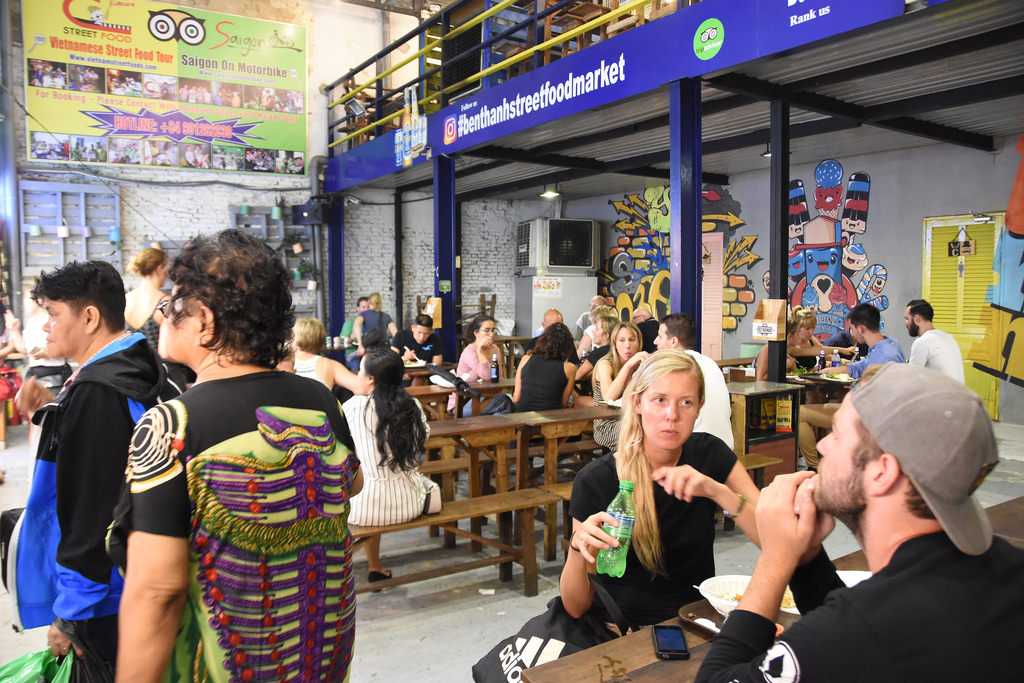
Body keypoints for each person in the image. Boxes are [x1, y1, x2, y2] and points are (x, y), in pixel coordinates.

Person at [109, 230, 363, 682]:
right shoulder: (319, 400)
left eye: (170, 308)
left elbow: (157, 592)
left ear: (203, 320)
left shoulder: (172, 425)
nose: (163, 317)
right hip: (322, 662)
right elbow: (353, 482)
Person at [695, 363, 1024, 682]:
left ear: (882, 473)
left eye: (836, 435)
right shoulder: (1008, 573)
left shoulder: (860, 631)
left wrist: (776, 558)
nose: (822, 445)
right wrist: (807, 561)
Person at [10, 261, 175, 679]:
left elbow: (93, 508)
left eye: (53, 314)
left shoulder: (98, 392)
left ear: (89, 317)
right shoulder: (139, 366)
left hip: (105, 597)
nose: (45, 326)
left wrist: (71, 613)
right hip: (136, 576)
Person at [564, 350, 761, 628]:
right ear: (638, 402)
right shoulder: (597, 481)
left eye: (686, 403)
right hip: (622, 633)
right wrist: (576, 548)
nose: (672, 415)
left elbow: (772, 537)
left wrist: (718, 492)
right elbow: (574, 607)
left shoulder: (710, 454)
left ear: (699, 407)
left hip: (697, 621)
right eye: (660, 400)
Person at [344, 349, 440, 586]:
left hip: (362, 509)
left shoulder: (352, 407)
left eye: (360, 371)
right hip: (408, 504)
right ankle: (375, 566)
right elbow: (420, 448)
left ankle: (367, 565)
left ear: (370, 380)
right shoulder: (413, 407)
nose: (357, 374)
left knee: (363, 484)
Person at [654, 313, 733, 449]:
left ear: (673, 341)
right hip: (726, 447)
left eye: (660, 336)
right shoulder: (709, 362)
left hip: (695, 450)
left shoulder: (675, 366)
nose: (655, 341)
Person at [592, 322, 646, 450]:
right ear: (614, 344)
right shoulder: (605, 364)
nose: (627, 345)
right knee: (638, 432)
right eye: (622, 340)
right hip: (606, 425)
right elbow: (609, 397)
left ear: (639, 342)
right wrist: (628, 366)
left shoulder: (641, 364)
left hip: (633, 419)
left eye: (632, 340)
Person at [292, 317, 371, 395]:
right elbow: (362, 388)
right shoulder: (329, 365)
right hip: (320, 407)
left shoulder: (283, 364)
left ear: (295, 338)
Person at [513, 322, 577, 412]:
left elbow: (516, 397)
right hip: (551, 419)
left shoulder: (525, 359)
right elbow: (564, 402)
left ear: (542, 340)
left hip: (523, 417)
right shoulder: (570, 368)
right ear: (568, 346)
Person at [449, 315, 504, 415]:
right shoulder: (470, 351)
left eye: (493, 330)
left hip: (488, 396)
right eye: (487, 330)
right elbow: (487, 376)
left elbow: (499, 377)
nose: (491, 334)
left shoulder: (495, 349)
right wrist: (480, 351)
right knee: (504, 402)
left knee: (502, 409)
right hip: (463, 403)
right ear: (476, 333)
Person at [905, 298, 964, 382]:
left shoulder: (922, 342)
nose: (905, 323)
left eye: (907, 319)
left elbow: (911, 380)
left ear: (917, 319)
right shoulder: (949, 337)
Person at [351, 291, 398, 365]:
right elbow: (396, 334)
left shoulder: (363, 314)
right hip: (384, 351)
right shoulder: (386, 316)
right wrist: (395, 348)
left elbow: (356, 326)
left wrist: (360, 345)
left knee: (351, 359)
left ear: (369, 302)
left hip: (369, 352)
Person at [340, 296, 370, 368]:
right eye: (363, 307)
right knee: (357, 366)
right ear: (358, 309)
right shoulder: (350, 322)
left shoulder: (372, 323)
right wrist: (352, 337)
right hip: (353, 353)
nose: (366, 310)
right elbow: (342, 342)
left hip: (369, 353)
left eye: (368, 307)